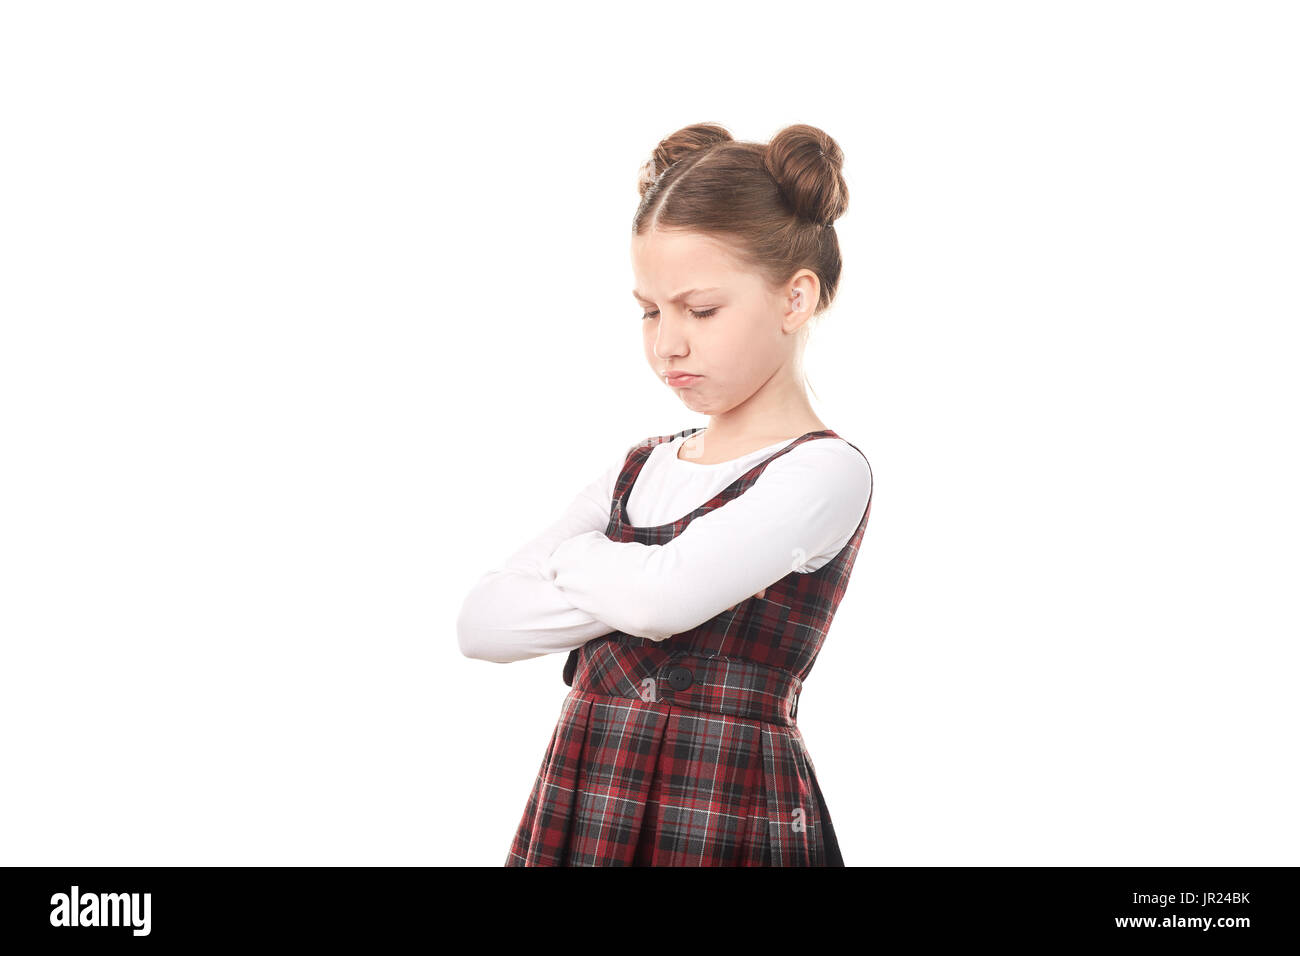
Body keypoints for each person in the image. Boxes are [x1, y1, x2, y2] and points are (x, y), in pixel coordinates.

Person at [458, 122, 873, 866]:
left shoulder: (824, 471)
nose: (666, 345)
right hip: (587, 793)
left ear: (795, 298)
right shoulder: (640, 469)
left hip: (724, 807)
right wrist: (637, 578)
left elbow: (661, 605)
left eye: (700, 310)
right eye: (651, 310)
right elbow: (483, 624)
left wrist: (588, 561)